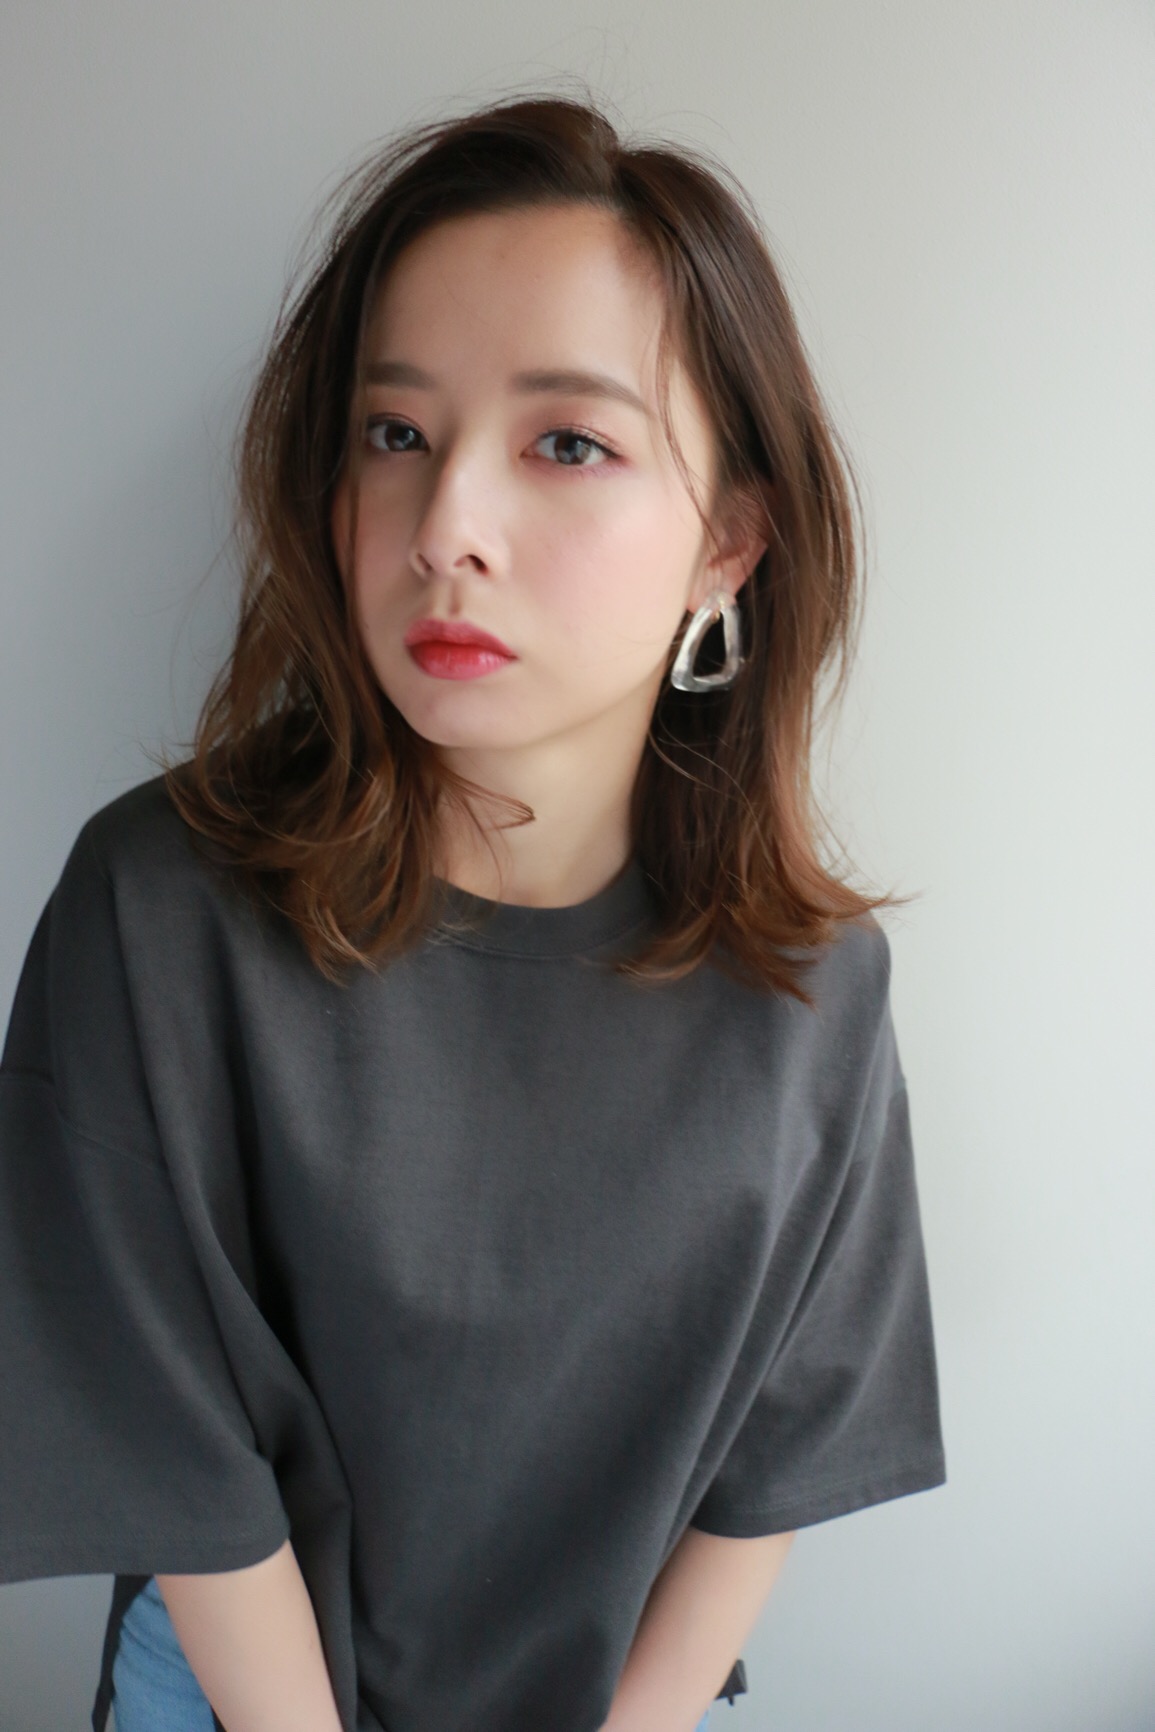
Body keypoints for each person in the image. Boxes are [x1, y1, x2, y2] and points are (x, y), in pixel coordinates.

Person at [0, 94, 945, 1732]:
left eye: (567, 443)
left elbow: (773, 1462)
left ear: (730, 541)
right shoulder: (157, 911)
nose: (445, 532)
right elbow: (165, 1450)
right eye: (395, 435)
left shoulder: (812, 986)